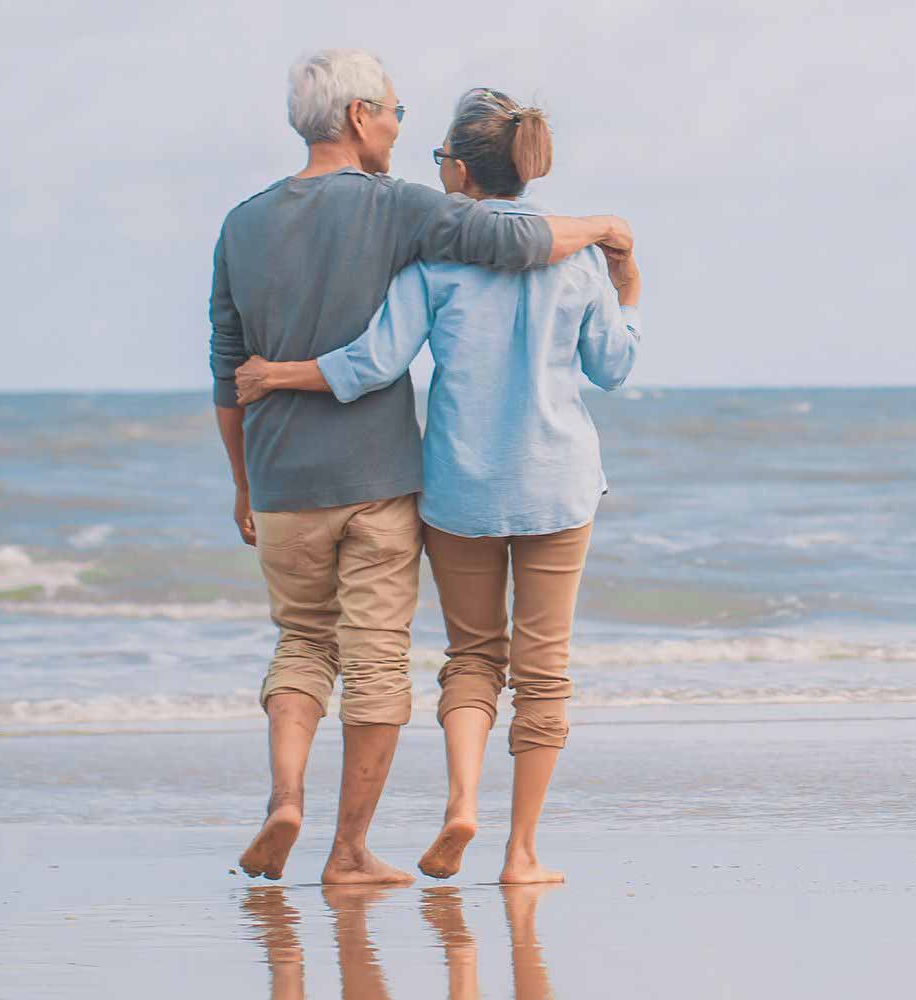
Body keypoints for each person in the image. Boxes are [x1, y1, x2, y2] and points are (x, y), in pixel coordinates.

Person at [210, 51, 634, 887]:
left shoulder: (271, 229)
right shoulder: (455, 228)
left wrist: (255, 437)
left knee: (395, 651)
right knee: (495, 669)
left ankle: (364, 801)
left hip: (391, 485)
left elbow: (306, 364)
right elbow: (591, 337)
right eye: (396, 113)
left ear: (459, 164)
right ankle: (457, 853)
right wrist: (611, 243)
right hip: (488, 482)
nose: (404, 135)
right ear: (361, 116)